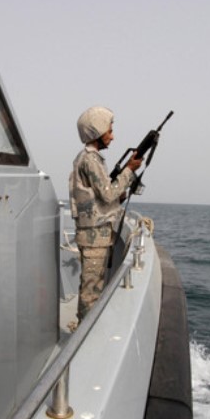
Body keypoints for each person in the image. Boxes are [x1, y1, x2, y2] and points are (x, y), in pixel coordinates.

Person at [69, 105, 142, 324]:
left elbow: (100, 197)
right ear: (97, 132)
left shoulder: (90, 159)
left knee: (92, 287)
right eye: (109, 131)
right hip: (94, 238)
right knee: (91, 292)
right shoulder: (90, 160)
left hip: (95, 235)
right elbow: (108, 194)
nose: (112, 136)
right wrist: (129, 170)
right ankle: (83, 339)